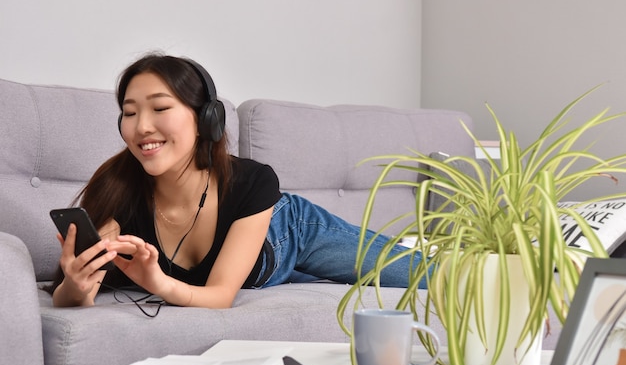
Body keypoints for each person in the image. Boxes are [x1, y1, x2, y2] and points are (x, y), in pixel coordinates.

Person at [49, 53, 425, 309]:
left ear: (206, 119)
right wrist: (76, 286)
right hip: (253, 271)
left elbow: (219, 296)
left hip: (287, 233)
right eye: (130, 113)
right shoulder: (116, 191)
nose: (142, 126)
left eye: (160, 108)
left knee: (427, 274)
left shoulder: (252, 182)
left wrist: (157, 281)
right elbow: (66, 296)